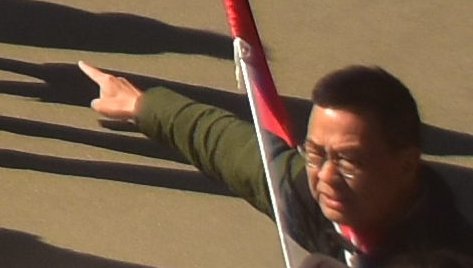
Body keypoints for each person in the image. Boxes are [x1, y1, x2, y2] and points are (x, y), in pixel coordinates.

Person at [86, 53, 473, 262]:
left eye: (349, 162)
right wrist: (144, 106)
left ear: (406, 165)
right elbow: (242, 155)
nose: (325, 177)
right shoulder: (322, 200)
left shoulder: (448, 253)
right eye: (315, 154)